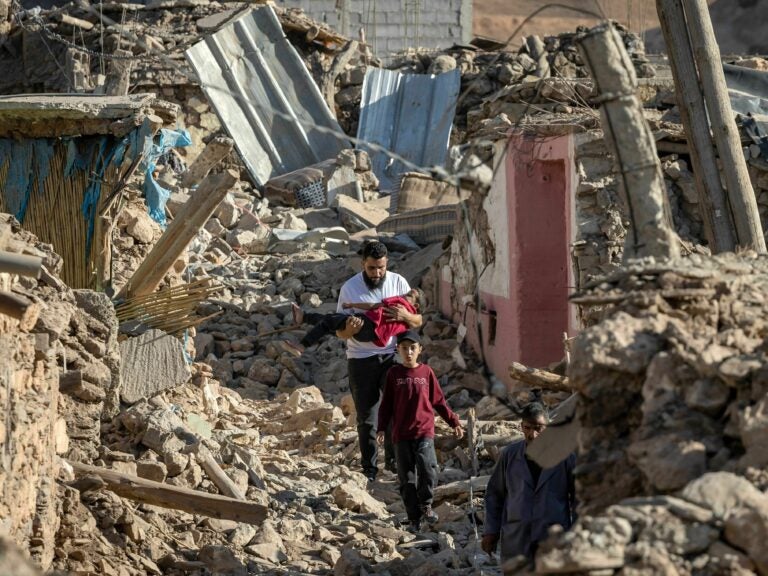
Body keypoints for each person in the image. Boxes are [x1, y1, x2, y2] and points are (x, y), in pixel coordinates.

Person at [336, 240, 422, 483]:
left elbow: (416, 322)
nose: (377, 273)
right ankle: (370, 470)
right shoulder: (349, 289)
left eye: (382, 268)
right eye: (372, 268)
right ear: (363, 264)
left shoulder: (398, 282)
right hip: (361, 359)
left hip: (392, 356)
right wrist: (348, 331)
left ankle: (396, 465)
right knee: (367, 418)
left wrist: (406, 316)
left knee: (397, 411)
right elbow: (339, 332)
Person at [377, 330, 464, 532]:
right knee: (406, 479)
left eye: (412, 348)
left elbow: (439, 401)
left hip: (424, 431)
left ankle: (426, 505)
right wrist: (381, 428)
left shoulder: (426, 373)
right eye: (404, 348)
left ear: (420, 350)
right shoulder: (394, 374)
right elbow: (386, 405)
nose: (408, 352)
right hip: (401, 435)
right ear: (397, 350)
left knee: (427, 468)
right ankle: (413, 519)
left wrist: (454, 422)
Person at [482, 402, 576, 571]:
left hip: (552, 537)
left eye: (539, 428)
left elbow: (578, 497)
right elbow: (495, 494)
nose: (533, 434)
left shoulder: (565, 457)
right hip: (517, 537)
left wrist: (578, 533)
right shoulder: (509, 455)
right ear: (521, 427)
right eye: (528, 428)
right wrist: (491, 531)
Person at [279, 288, 423, 356]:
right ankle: (304, 317)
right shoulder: (408, 322)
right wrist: (353, 305)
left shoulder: (400, 304)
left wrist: (353, 305)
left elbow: (373, 305)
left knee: (330, 320)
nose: (404, 295)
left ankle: (302, 345)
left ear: (415, 306)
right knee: (330, 322)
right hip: (369, 335)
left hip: (368, 325)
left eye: (409, 295)